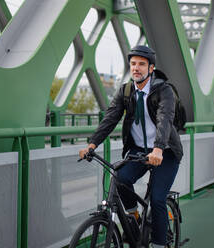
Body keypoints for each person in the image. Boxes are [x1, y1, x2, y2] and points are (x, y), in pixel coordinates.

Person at [78, 45, 183, 247]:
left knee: (158, 199)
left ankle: (159, 244)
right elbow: (110, 119)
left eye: (141, 64)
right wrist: (92, 144)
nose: (136, 68)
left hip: (166, 152)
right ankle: (133, 218)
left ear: (151, 68)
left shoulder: (164, 90)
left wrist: (159, 148)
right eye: (133, 63)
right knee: (120, 179)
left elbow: (165, 119)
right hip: (139, 151)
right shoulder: (126, 91)